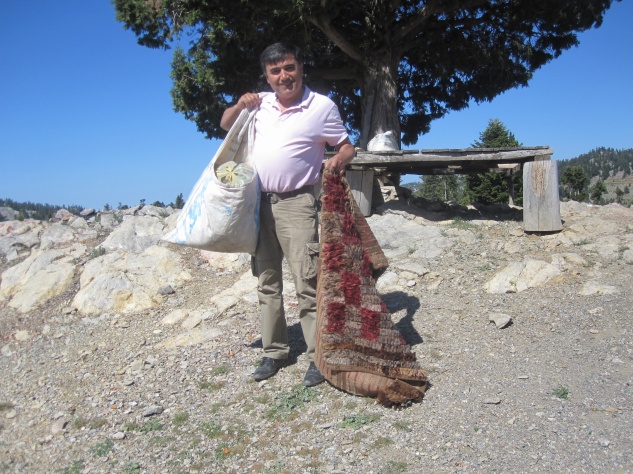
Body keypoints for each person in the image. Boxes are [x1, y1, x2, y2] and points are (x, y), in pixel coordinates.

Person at [220, 42, 355, 386]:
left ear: (301, 67)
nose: (284, 76)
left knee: (307, 283)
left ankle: (316, 357)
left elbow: (345, 145)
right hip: (258, 203)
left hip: (298, 204)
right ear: (267, 76)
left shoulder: (321, 106)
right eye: (275, 71)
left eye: (289, 68)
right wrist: (239, 105)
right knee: (267, 283)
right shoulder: (259, 104)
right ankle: (275, 352)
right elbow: (225, 125)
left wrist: (338, 160)